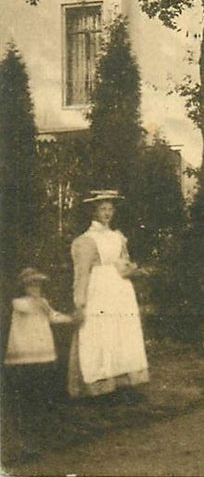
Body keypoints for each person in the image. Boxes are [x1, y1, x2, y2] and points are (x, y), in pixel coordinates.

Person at [68, 190, 150, 401]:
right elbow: (82, 273)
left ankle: (120, 384)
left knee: (121, 333)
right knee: (99, 333)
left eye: (110, 209)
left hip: (120, 290)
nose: (107, 213)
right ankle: (99, 388)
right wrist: (80, 301)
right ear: (94, 211)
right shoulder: (86, 240)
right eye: (102, 209)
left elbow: (124, 264)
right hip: (99, 289)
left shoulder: (117, 237)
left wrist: (133, 270)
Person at [4, 268, 72, 460]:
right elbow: (28, 308)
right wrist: (38, 302)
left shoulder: (43, 303)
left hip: (43, 356)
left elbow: (53, 316)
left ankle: (43, 439)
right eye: (32, 285)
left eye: (38, 285)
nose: (36, 288)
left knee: (42, 396)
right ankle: (27, 443)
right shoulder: (19, 303)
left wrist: (71, 318)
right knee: (27, 398)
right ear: (24, 287)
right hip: (24, 357)